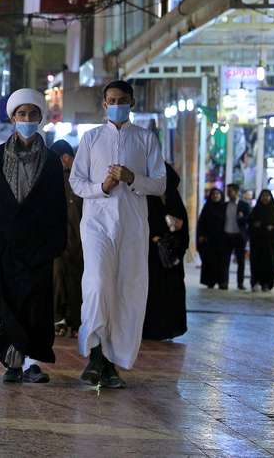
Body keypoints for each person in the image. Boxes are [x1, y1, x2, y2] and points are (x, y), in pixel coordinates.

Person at [70, 80, 166, 389]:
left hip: (133, 226)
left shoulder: (146, 139)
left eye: (122, 99)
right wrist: (102, 188)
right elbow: (76, 182)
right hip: (97, 224)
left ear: (132, 102)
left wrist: (132, 177)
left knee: (127, 291)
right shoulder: (91, 138)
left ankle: (111, 363)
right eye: (111, 99)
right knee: (97, 284)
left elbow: (160, 184)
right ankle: (95, 354)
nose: (116, 104)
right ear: (103, 104)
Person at [0, 89, 66, 384]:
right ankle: (13, 362)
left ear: (40, 118)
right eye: (21, 114)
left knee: (37, 306)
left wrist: (52, 243)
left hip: (38, 246)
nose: (27, 119)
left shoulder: (51, 161)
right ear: (13, 117)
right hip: (6, 245)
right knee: (8, 302)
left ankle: (33, 364)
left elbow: (55, 204)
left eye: (32, 114)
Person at [143, 163, 188, 341]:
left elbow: (183, 230)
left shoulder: (174, 200)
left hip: (171, 257)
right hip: (152, 257)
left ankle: (169, 329)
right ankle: (151, 329)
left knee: (171, 293)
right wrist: (155, 237)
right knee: (153, 292)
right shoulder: (148, 199)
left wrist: (177, 230)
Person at [49, 139, 83, 338]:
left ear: (66, 158)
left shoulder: (80, 181)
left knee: (76, 282)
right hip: (60, 242)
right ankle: (59, 319)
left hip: (79, 242)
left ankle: (75, 321)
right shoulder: (57, 180)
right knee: (58, 280)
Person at [248, 189, 274, 292]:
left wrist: (272, 229)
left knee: (270, 264)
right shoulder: (255, 210)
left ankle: (267, 284)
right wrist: (256, 226)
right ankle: (256, 282)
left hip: (271, 244)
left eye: (267, 196)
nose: (265, 198)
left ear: (271, 198)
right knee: (256, 263)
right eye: (263, 196)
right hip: (257, 243)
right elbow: (250, 223)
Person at [196, 188, 228, 289]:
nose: (215, 196)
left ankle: (222, 282)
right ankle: (210, 281)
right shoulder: (207, 208)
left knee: (222, 262)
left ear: (221, 195)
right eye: (213, 194)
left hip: (222, 240)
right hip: (209, 240)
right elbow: (201, 223)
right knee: (210, 261)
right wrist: (201, 235)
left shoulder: (225, 208)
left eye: (218, 194)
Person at [222, 183, 250, 290]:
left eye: (230, 191)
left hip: (239, 236)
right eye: (227, 191)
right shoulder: (225, 205)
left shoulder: (244, 205)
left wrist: (242, 218)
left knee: (240, 261)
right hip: (227, 235)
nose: (228, 193)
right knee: (225, 260)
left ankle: (240, 283)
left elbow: (249, 220)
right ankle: (224, 282)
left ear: (237, 192)